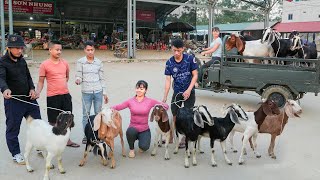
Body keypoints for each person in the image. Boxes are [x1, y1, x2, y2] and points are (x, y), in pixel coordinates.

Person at [0, 35, 41, 165]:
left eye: (21, 48)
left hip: (28, 99)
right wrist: (5, 89)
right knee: (13, 128)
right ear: (9, 48)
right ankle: (16, 153)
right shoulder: (2, 62)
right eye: (16, 48)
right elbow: (1, 78)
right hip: (13, 101)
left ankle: (39, 145)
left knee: (37, 124)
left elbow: (28, 77)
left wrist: (32, 89)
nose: (19, 51)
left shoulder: (22, 60)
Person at [36, 40, 79, 148]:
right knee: (53, 120)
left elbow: (67, 77)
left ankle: (67, 140)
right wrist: (37, 92)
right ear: (50, 50)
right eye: (57, 49)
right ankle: (53, 141)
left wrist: (61, 86)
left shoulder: (64, 63)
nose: (59, 52)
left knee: (68, 119)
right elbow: (41, 81)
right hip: (52, 97)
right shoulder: (44, 65)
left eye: (60, 49)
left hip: (65, 95)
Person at [111, 80, 169, 158]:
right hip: (133, 127)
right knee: (130, 131)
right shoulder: (130, 101)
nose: (139, 90)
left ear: (145, 90)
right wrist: (109, 109)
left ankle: (141, 141)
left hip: (144, 129)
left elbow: (165, 106)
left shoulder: (150, 101)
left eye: (141, 89)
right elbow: (119, 107)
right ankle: (131, 149)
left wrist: (162, 106)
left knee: (145, 147)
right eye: (137, 88)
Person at [162, 38, 198, 148]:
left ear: (183, 49)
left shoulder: (190, 59)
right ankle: (172, 135)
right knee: (174, 114)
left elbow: (195, 75)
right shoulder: (169, 63)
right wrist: (165, 97)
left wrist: (188, 90)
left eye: (179, 50)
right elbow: (168, 81)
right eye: (174, 50)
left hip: (189, 92)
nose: (176, 53)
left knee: (188, 115)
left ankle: (185, 137)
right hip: (177, 92)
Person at [75, 41, 109, 144]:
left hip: (98, 91)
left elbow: (102, 78)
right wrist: (78, 80)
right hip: (86, 92)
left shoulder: (99, 62)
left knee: (98, 114)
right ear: (85, 50)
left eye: (92, 50)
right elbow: (78, 75)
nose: (90, 52)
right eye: (88, 50)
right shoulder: (80, 62)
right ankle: (87, 135)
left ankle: (98, 134)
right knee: (86, 115)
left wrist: (105, 93)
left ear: (94, 50)